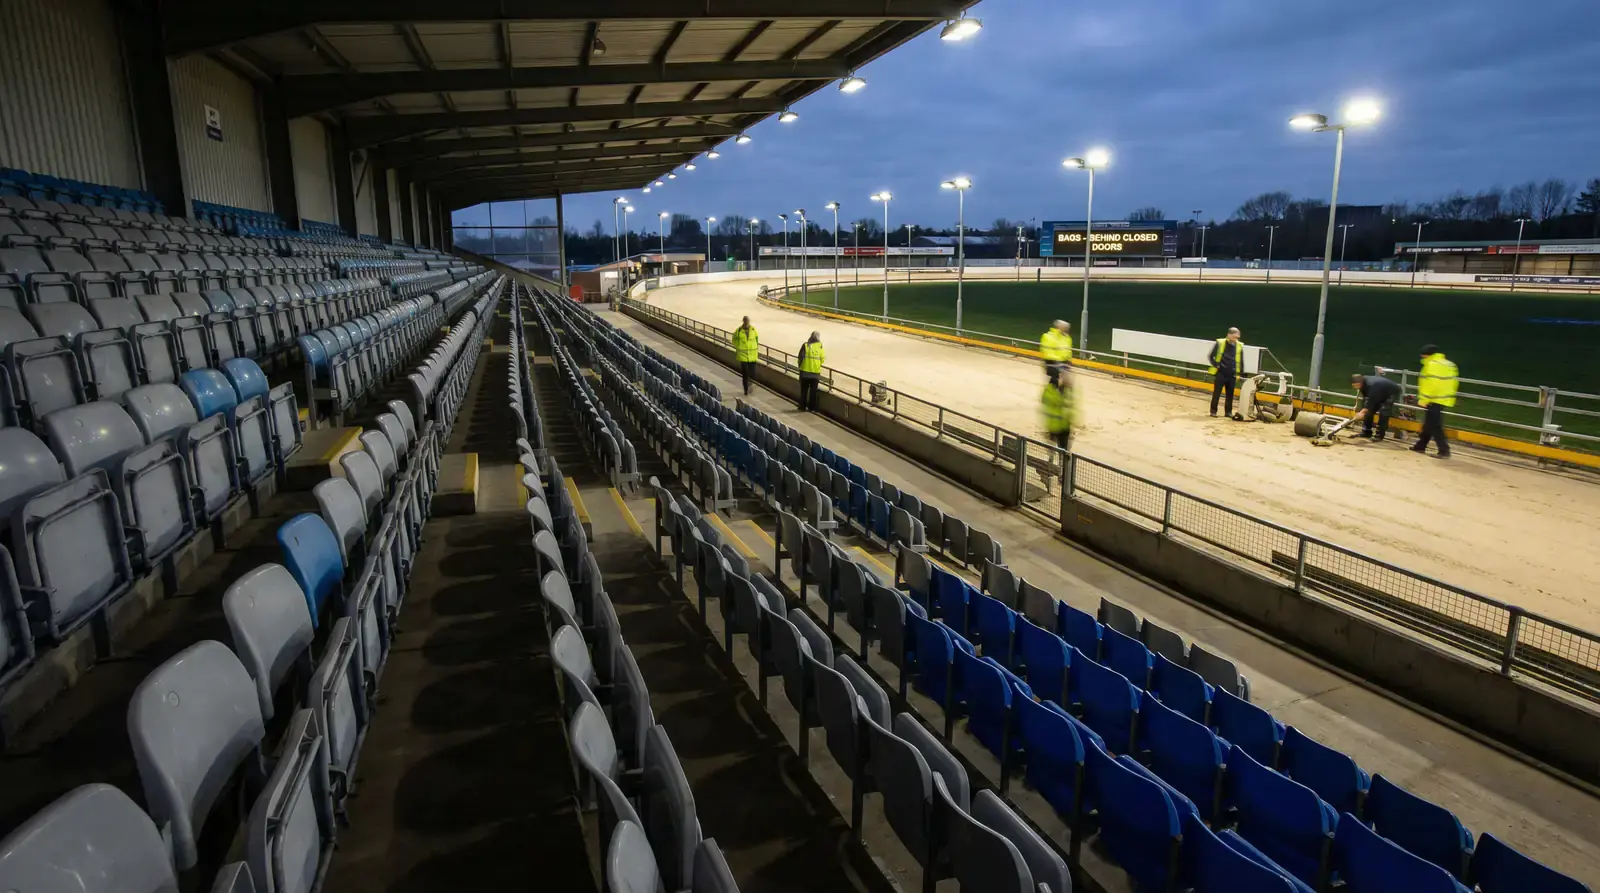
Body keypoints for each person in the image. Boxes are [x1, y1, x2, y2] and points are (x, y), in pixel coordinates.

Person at [1413, 344, 1457, 458]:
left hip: (1433, 399)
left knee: (1435, 426)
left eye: (1423, 355)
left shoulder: (1431, 364)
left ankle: (1444, 451)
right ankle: (1420, 446)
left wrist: (1424, 399)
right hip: (1444, 398)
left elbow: (1432, 384)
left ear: (1427, 355)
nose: (1421, 357)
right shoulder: (1449, 364)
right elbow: (1454, 382)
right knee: (1429, 424)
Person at [1351, 372, 1402, 440]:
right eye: (1354, 386)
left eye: (1356, 385)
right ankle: (1366, 431)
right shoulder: (1362, 384)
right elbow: (1366, 398)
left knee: (1384, 410)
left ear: (1360, 383)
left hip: (1391, 392)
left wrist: (1362, 412)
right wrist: (1363, 410)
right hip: (1378, 391)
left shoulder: (1371, 385)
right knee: (1367, 410)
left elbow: (1372, 401)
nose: (1355, 387)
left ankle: (1379, 435)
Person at [1207, 327, 1244, 418]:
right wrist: (1216, 365)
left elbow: (1241, 360)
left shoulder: (1239, 346)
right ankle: (1213, 411)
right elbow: (1211, 356)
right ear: (1229, 335)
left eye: (1237, 337)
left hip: (1232, 373)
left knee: (1230, 394)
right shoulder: (1220, 343)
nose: (1236, 339)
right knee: (1217, 393)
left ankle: (1228, 412)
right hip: (1221, 372)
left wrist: (1240, 373)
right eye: (1234, 337)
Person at [1041, 369, 1076, 452]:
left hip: (1055, 426)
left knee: (1054, 449)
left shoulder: (1048, 392)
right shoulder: (1059, 392)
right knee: (1063, 450)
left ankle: (1054, 457)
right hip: (1060, 426)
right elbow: (1060, 402)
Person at [797, 331, 825, 412]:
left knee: (804, 390)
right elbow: (822, 359)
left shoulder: (805, 345)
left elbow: (800, 357)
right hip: (815, 373)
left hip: (805, 372)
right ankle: (811, 408)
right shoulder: (820, 347)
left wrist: (800, 367)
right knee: (813, 392)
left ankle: (802, 406)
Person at [732, 316, 759, 396]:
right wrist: (739, 346)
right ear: (743, 321)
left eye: (748, 321)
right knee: (745, 374)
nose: (747, 323)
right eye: (746, 321)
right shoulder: (739, 330)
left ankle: (750, 383)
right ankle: (746, 390)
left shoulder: (753, 330)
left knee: (753, 373)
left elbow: (756, 339)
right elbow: (734, 340)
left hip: (752, 356)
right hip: (743, 356)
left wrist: (755, 347)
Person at [1040, 319, 1073, 384]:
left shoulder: (1067, 338)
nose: (1066, 330)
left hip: (1063, 363)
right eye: (1065, 328)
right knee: (1055, 380)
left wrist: (1069, 361)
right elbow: (1047, 351)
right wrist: (1058, 362)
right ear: (1058, 327)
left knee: (1067, 383)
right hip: (1051, 363)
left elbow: (1068, 351)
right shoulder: (1047, 336)